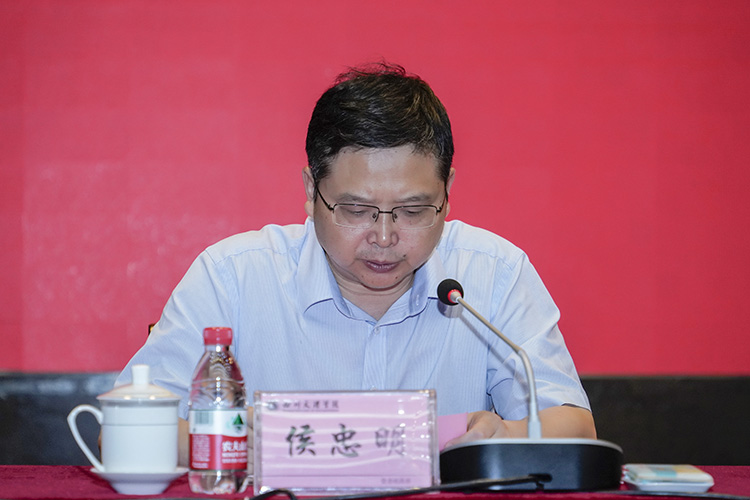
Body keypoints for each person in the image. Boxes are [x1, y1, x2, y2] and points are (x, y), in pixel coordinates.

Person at [115, 62, 596, 466]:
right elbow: (122, 435)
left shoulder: (494, 273)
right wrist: (253, 440)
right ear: (311, 191)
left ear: (448, 192)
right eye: (356, 210)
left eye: (413, 211)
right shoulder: (233, 277)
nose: (384, 238)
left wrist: (505, 436)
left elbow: (575, 426)